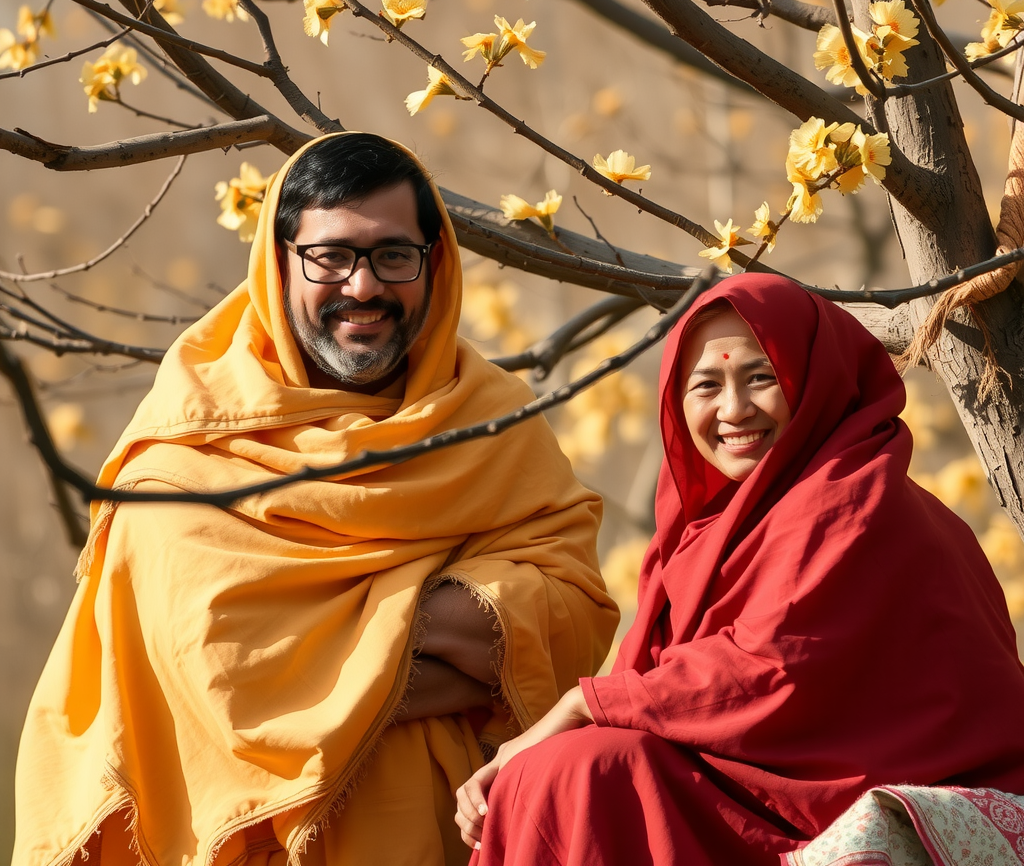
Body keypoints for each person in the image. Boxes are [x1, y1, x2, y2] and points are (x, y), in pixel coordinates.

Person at [14, 133, 618, 866]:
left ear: (435, 264)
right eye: (330, 256)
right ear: (278, 263)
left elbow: (576, 614)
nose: (363, 287)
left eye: (393, 255)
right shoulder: (183, 459)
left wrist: (323, 642)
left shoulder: (492, 422)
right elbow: (231, 675)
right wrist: (449, 635)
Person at [455, 272, 1024, 866]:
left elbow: (773, 668)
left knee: (583, 771)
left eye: (761, 377)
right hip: (753, 783)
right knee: (559, 772)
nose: (734, 410)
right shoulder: (709, 531)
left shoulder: (854, 497)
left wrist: (579, 706)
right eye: (706, 384)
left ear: (814, 380)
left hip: (850, 793)